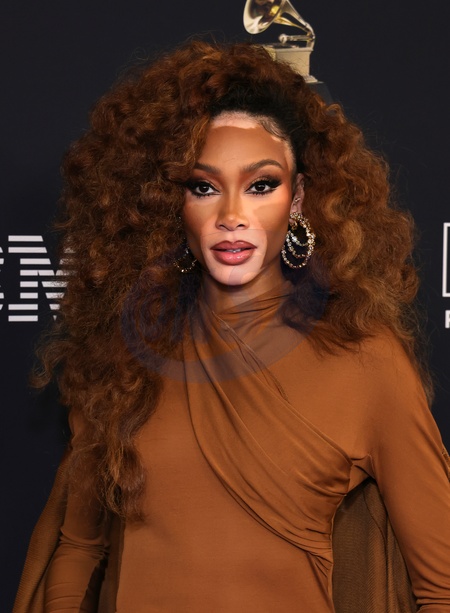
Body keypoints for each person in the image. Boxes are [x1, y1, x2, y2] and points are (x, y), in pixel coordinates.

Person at [14, 39, 450, 612]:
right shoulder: (126, 353)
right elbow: (78, 549)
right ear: (172, 203)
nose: (231, 217)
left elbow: (441, 589)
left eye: (261, 185)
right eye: (204, 187)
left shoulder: (366, 360)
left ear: (298, 198)